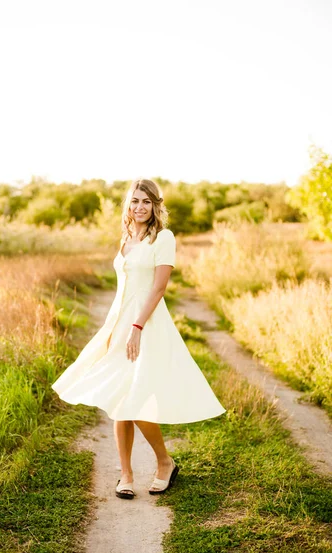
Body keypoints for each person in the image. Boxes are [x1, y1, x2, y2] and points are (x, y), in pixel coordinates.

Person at [51, 178, 226, 499]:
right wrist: (117, 326)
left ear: (156, 205)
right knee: (120, 397)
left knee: (136, 395)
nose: (139, 207)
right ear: (127, 205)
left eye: (146, 202)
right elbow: (124, 289)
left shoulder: (164, 238)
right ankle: (126, 475)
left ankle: (164, 462)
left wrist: (137, 327)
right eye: (134, 201)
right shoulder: (126, 238)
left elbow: (158, 288)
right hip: (119, 323)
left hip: (146, 325)